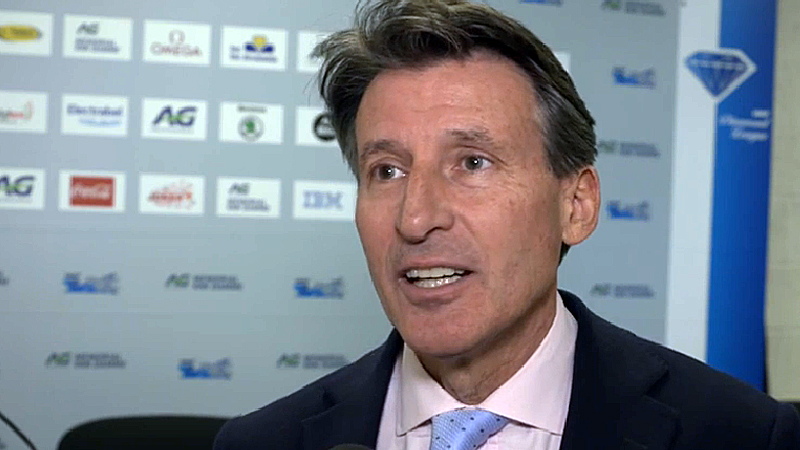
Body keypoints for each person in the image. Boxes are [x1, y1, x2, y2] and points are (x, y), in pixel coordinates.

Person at [213, 1, 800, 449]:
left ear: (576, 205)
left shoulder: (740, 434)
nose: (415, 218)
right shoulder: (262, 442)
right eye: (387, 170)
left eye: (473, 163)